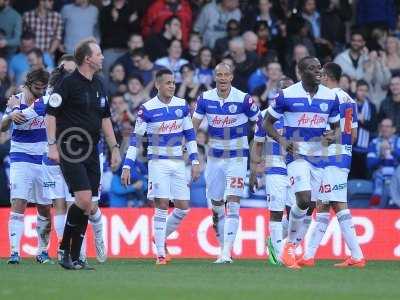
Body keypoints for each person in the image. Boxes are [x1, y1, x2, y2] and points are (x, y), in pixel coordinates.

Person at [46, 38, 121, 270]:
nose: (102, 57)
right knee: (85, 199)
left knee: (86, 204)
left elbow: (105, 118)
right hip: (71, 146)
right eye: (99, 54)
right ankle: (64, 250)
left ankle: (74, 256)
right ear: (88, 59)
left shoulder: (99, 83)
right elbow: (51, 114)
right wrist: (52, 145)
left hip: (93, 149)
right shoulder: (67, 84)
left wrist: (114, 148)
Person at [264, 56, 340, 269]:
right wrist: (281, 140)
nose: (318, 71)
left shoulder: (330, 97)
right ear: (301, 72)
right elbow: (266, 123)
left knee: (308, 208)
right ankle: (289, 248)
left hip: (319, 158)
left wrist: (332, 136)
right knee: (304, 198)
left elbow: (337, 128)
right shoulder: (286, 95)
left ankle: (288, 244)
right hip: (296, 155)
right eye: (312, 68)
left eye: (319, 68)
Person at [121, 68, 200, 265]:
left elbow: (190, 134)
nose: (172, 86)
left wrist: (195, 160)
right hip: (157, 162)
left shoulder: (182, 105)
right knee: (162, 205)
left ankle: (159, 238)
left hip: (179, 163)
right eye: (168, 82)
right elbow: (135, 139)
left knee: (183, 208)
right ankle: (160, 255)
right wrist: (127, 166)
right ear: (157, 85)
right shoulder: (147, 109)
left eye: (173, 82)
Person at [298, 62, 366, 268]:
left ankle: (357, 255)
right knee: (324, 205)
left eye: (320, 75)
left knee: (337, 204)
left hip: (330, 157)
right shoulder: (350, 100)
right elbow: (353, 135)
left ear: (326, 76)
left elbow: (325, 132)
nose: (318, 78)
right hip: (343, 155)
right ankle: (309, 256)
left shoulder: (328, 97)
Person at [192, 63, 260, 263]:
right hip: (214, 158)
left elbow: (260, 123)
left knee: (233, 202)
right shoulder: (205, 98)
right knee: (216, 205)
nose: (222, 78)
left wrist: (256, 153)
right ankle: (222, 248)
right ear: (215, 77)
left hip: (237, 157)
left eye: (226, 75)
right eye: (219, 75)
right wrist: (193, 156)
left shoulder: (244, 99)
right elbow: (192, 127)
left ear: (232, 77)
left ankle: (227, 252)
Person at [1, 69, 50, 264]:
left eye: (44, 88)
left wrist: (15, 112)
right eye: (37, 88)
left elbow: (23, 117)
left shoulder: (46, 101)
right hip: (21, 156)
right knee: (19, 202)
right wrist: (9, 117)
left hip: (44, 158)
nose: (41, 91)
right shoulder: (16, 99)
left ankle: (43, 251)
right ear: (28, 84)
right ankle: (14, 252)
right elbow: (3, 127)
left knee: (45, 207)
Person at [250, 77, 295, 266]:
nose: (286, 93)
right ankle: (276, 256)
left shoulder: (300, 115)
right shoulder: (266, 115)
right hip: (274, 167)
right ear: (277, 93)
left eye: (290, 89)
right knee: (276, 212)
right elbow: (257, 145)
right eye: (283, 89)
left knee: (297, 212)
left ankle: (280, 241)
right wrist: (254, 171)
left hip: (296, 167)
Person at [367, 118, 400, 207]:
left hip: (396, 176)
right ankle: (376, 203)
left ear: (394, 129)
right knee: (378, 177)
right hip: (380, 176)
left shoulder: (398, 141)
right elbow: (370, 164)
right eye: (382, 126)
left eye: (387, 126)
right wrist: (381, 157)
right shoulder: (374, 142)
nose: (384, 129)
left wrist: (392, 150)